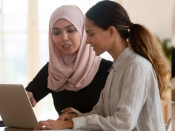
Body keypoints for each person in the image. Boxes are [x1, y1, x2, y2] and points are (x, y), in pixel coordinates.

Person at [35, 1, 171, 130]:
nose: (87, 41)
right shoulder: (116, 68)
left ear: (111, 32)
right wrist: (76, 116)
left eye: (91, 33)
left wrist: (72, 124)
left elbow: (123, 123)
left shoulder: (136, 66)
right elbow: (100, 112)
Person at [25, 5, 113, 115]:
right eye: (56, 33)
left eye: (71, 30)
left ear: (83, 31)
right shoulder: (53, 69)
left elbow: (116, 119)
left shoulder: (108, 69)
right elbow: (27, 96)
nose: (64, 37)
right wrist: (27, 99)